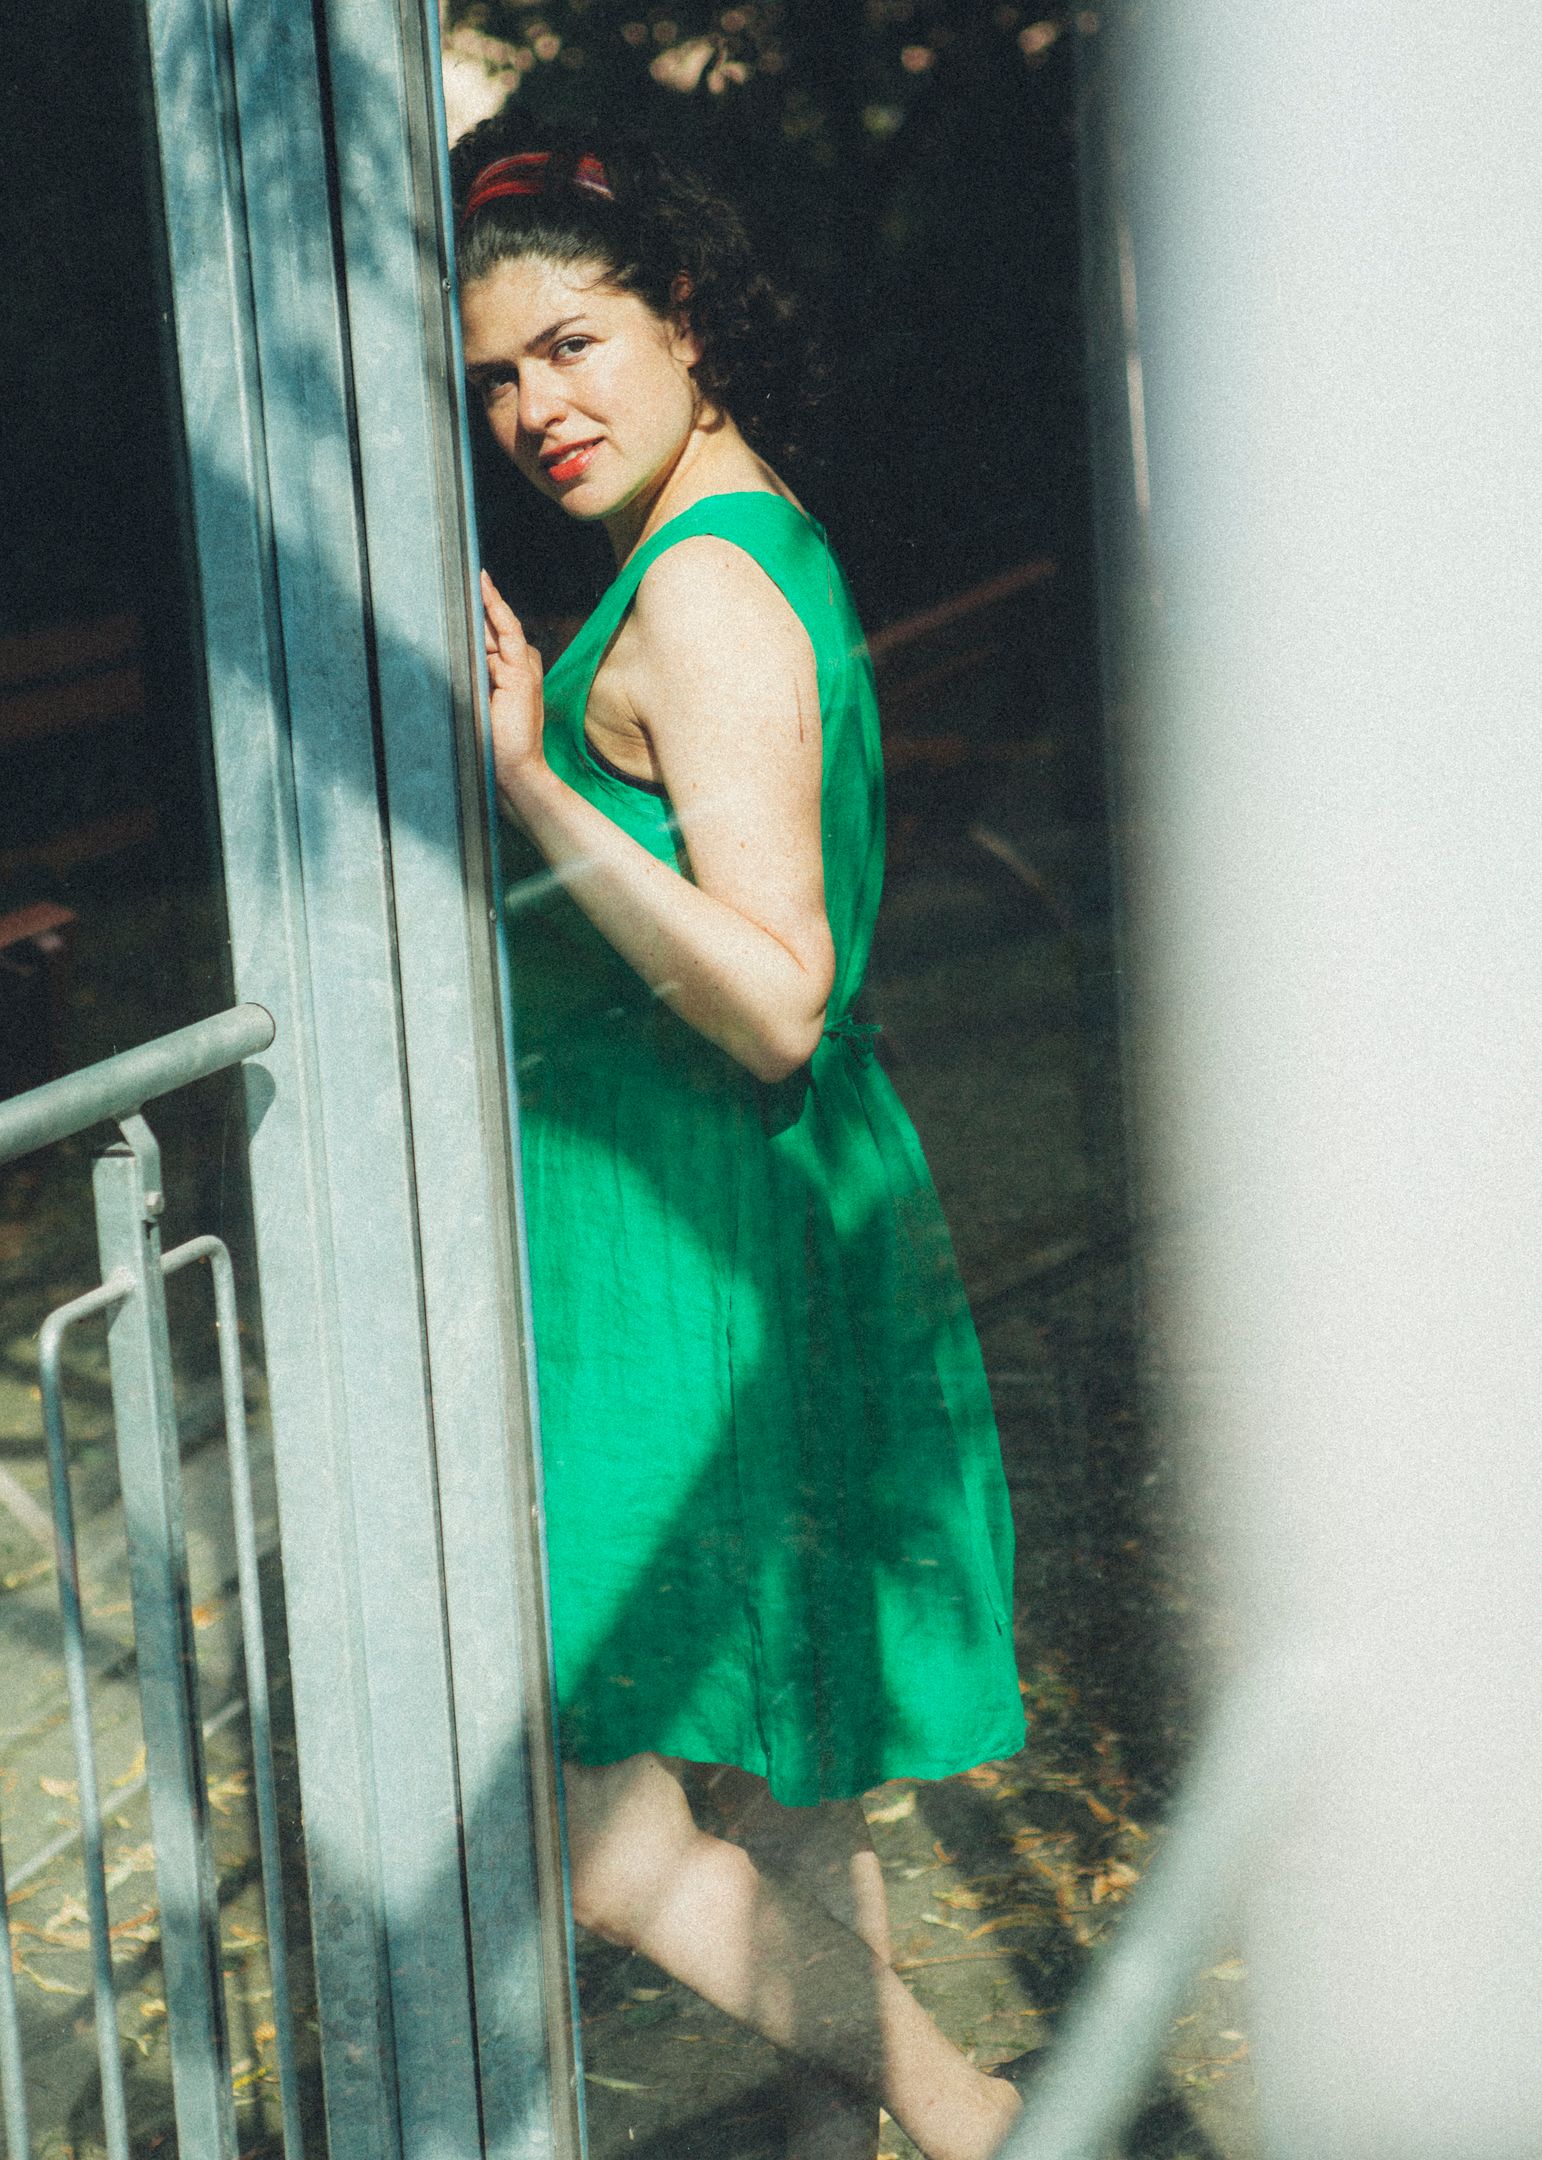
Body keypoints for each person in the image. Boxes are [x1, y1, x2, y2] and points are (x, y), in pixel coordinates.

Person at [452, 114, 1029, 2160]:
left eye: (576, 344)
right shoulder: (727, 535)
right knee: (784, 1782)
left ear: (683, 317)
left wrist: (531, 785)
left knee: (598, 1832)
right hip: (732, 1224)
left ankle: (978, 2120)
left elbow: (779, 989)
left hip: (702, 1246)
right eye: (497, 377)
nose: (538, 408)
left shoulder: (698, 585)